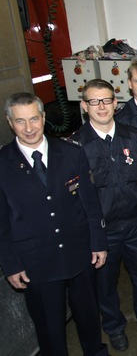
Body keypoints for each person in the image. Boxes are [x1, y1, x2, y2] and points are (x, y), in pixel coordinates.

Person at [0, 92, 108, 355]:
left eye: (34, 119)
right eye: (21, 121)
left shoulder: (71, 153)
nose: (29, 128)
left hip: (79, 253)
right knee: (50, 329)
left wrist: (98, 243)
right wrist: (11, 264)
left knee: (89, 318)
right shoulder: (2, 164)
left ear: (44, 117)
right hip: (37, 262)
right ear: (9, 122)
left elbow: (90, 204)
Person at [70, 80, 137, 351]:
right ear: (84, 106)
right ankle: (114, 326)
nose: (101, 106)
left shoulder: (136, 136)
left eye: (106, 100)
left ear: (116, 103)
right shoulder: (75, 146)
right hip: (103, 230)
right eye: (94, 101)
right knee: (105, 284)